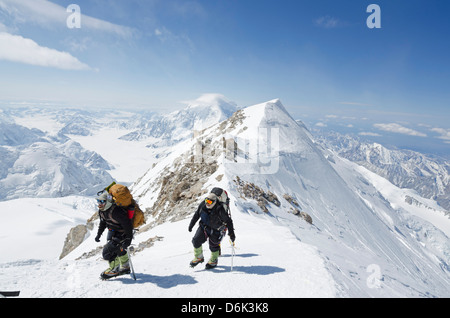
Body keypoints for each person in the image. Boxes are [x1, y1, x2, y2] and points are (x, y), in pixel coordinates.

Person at [188, 191, 236, 269]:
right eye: (206, 200)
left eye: (210, 201)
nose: (207, 203)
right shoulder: (202, 205)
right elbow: (197, 214)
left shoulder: (219, 209)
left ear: (215, 202)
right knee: (196, 240)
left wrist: (231, 234)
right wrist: (191, 225)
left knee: (214, 245)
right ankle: (199, 257)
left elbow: (228, 221)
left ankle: (213, 260)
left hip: (216, 230)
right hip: (204, 227)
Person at [95, 191, 133, 279]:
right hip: (113, 231)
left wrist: (128, 240)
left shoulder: (116, 212)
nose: (99, 204)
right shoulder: (102, 211)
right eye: (98, 201)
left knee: (107, 252)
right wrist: (98, 235)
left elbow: (128, 225)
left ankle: (114, 270)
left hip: (122, 233)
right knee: (119, 249)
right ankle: (125, 267)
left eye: (101, 201)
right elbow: (103, 222)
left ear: (107, 202)